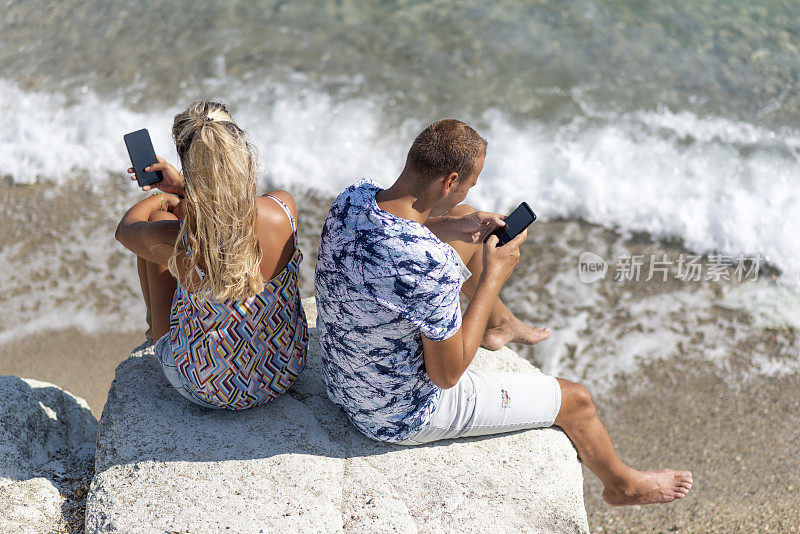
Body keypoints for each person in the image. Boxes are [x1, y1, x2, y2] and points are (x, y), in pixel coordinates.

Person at [315, 119, 693, 505]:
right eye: (468, 182)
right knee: (575, 400)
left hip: (339, 378)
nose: (469, 190)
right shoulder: (428, 267)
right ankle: (622, 485)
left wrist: (452, 225)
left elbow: (394, 236)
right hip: (394, 414)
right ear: (449, 180)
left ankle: (500, 324)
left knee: (466, 217)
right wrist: (494, 275)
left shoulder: (352, 199)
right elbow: (446, 375)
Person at [115, 101, 307, 410]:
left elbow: (125, 230)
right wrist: (186, 188)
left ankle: (156, 330)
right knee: (184, 222)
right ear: (241, 148)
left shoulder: (181, 238)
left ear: (190, 165)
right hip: (283, 371)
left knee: (161, 221)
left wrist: (163, 196)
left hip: (207, 389)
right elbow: (231, 217)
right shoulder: (283, 208)